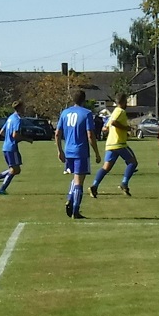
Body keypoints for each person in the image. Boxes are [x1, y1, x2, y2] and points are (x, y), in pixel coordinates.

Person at [57, 90, 101, 219]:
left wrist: (60, 150)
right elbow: (90, 135)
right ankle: (75, 210)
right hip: (80, 152)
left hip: (68, 151)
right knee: (79, 182)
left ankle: (70, 199)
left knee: (75, 178)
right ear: (84, 100)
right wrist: (97, 153)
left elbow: (57, 133)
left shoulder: (64, 113)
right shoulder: (86, 113)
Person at [91, 103, 137, 197]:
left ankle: (94, 186)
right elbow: (113, 123)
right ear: (123, 101)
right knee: (133, 163)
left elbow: (105, 128)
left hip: (110, 144)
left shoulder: (114, 113)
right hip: (119, 143)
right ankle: (124, 183)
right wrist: (126, 128)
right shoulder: (120, 111)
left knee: (106, 167)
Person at [0, 102, 25, 195]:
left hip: (6, 147)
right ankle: (1, 188)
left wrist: (8, 139)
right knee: (14, 170)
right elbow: (15, 134)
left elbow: (1, 132)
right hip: (11, 148)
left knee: (16, 170)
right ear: (20, 108)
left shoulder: (10, 117)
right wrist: (26, 139)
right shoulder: (17, 119)